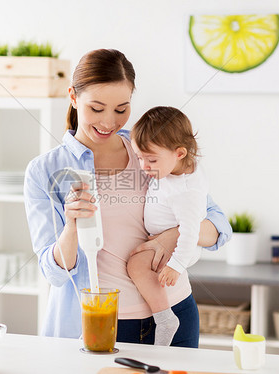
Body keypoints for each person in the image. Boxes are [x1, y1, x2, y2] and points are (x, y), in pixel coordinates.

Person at [23, 49, 232, 347]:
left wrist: (170, 237)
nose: (109, 122)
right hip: (105, 323)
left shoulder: (149, 146)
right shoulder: (45, 171)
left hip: (176, 311)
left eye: (121, 109)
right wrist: (71, 225)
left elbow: (218, 226)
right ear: (73, 97)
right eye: (96, 109)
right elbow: (54, 273)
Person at [127, 106, 208, 346]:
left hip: (180, 248)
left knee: (136, 264)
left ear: (180, 153)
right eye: (139, 158)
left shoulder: (184, 191)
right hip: (165, 239)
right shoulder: (172, 170)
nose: (144, 166)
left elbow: (191, 231)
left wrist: (175, 265)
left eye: (151, 160)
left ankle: (164, 318)